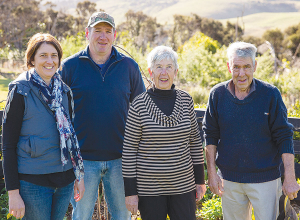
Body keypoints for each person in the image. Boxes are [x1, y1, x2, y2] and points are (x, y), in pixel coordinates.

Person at [59, 12, 146, 220]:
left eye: (108, 32)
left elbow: (142, 110)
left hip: (121, 159)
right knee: (81, 215)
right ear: (87, 33)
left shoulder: (129, 66)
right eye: (97, 31)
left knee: (122, 215)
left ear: (114, 35)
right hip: (82, 161)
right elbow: (59, 114)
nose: (103, 37)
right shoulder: (70, 67)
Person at [202, 41, 300, 220]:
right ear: (228, 66)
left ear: (255, 66)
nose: (241, 73)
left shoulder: (270, 94)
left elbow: (284, 136)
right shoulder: (217, 94)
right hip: (229, 180)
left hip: (266, 180)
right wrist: (211, 173)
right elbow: (210, 134)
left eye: (247, 67)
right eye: (236, 67)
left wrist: (290, 177)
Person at [2, 33, 85, 220]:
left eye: (54, 55)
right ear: (32, 59)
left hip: (64, 182)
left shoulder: (65, 91)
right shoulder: (20, 91)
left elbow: (71, 138)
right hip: (33, 183)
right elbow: (7, 145)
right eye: (43, 55)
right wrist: (13, 193)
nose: (50, 61)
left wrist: (78, 176)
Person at [122, 46, 206, 220]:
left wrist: (200, 181)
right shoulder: (139, 105)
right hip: (150, 189)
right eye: (159, 67)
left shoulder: (186, 100)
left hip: (184, 186)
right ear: (150, 71)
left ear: (176, 71)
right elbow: (129, 151)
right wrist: (130, 193)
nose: (164, 72)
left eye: (169, 67)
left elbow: (195, 143)